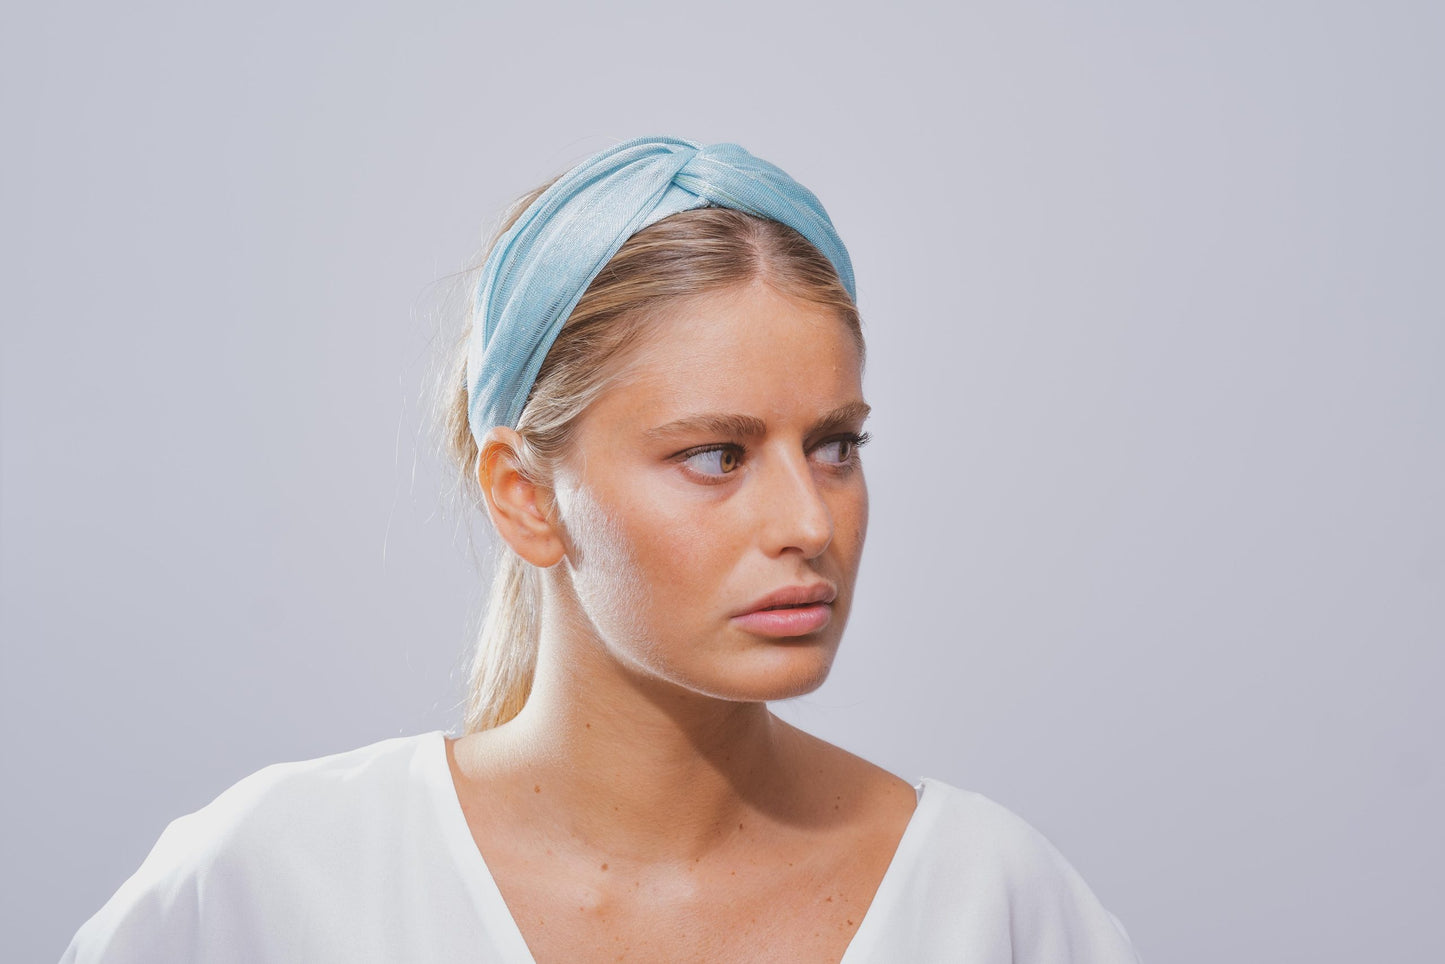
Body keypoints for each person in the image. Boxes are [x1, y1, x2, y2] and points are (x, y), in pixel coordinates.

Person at [62, 137, 1142, 963]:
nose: (809, 525)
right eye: (716, 455)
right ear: (526, 495)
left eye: (834, 446)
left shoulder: (987, 903)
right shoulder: (277, 884)